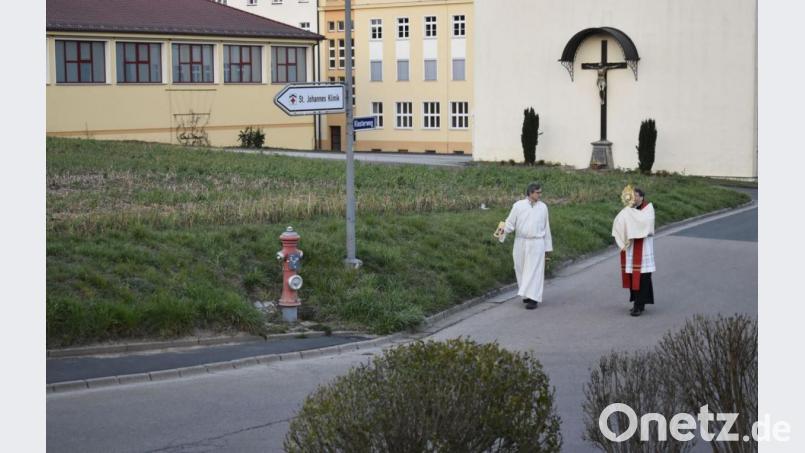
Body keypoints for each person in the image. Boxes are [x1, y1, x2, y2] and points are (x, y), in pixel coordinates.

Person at [496, 182, 553, 310]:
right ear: (531, 193)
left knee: (534, 270)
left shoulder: (543, 207)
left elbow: (546, 227)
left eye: (540, 192)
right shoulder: (518, 206)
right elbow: (510, 223)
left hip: (537, 242)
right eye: (538, 192)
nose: (540, 195)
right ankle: (526, 294)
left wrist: (547, 248)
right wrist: (502, 231)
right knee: (520, 267)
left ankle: (534, 298)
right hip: (520, 241)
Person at [611, 187, 655, 316]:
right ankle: (637, 302)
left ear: (642, 197)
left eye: (636, 196)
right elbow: (620, 222)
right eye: (632, 195)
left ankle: (638, 306)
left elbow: (645, 225)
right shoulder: (629, 210)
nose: (634, 198)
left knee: (643, 278)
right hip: (632, 248)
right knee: (633, 276)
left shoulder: (648, 209)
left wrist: (631, 219)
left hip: (643, 250)